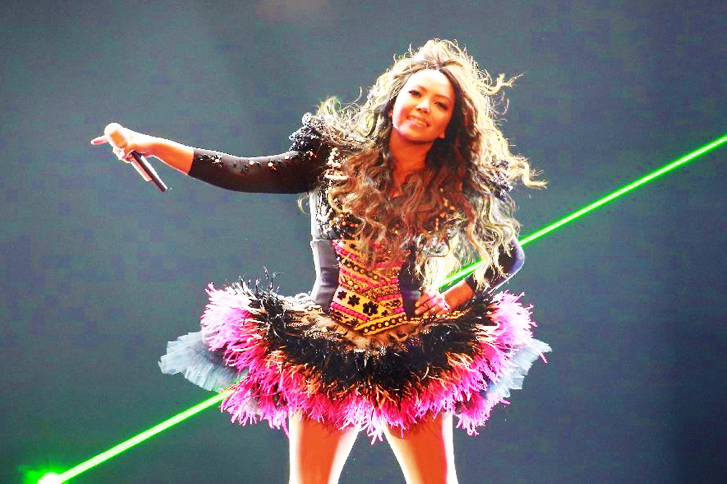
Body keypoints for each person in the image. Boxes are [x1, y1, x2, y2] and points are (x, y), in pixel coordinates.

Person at [92, 39, 550, 484]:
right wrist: (152, 144)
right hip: (326, 347)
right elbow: (240, 172)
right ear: (394, 100)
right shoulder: (332, 158)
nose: (423, 106)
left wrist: (452, 297)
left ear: (449, 125)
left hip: (413, 350)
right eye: (415, 93)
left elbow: (509, 254)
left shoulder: (451, 184)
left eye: (440, 104)